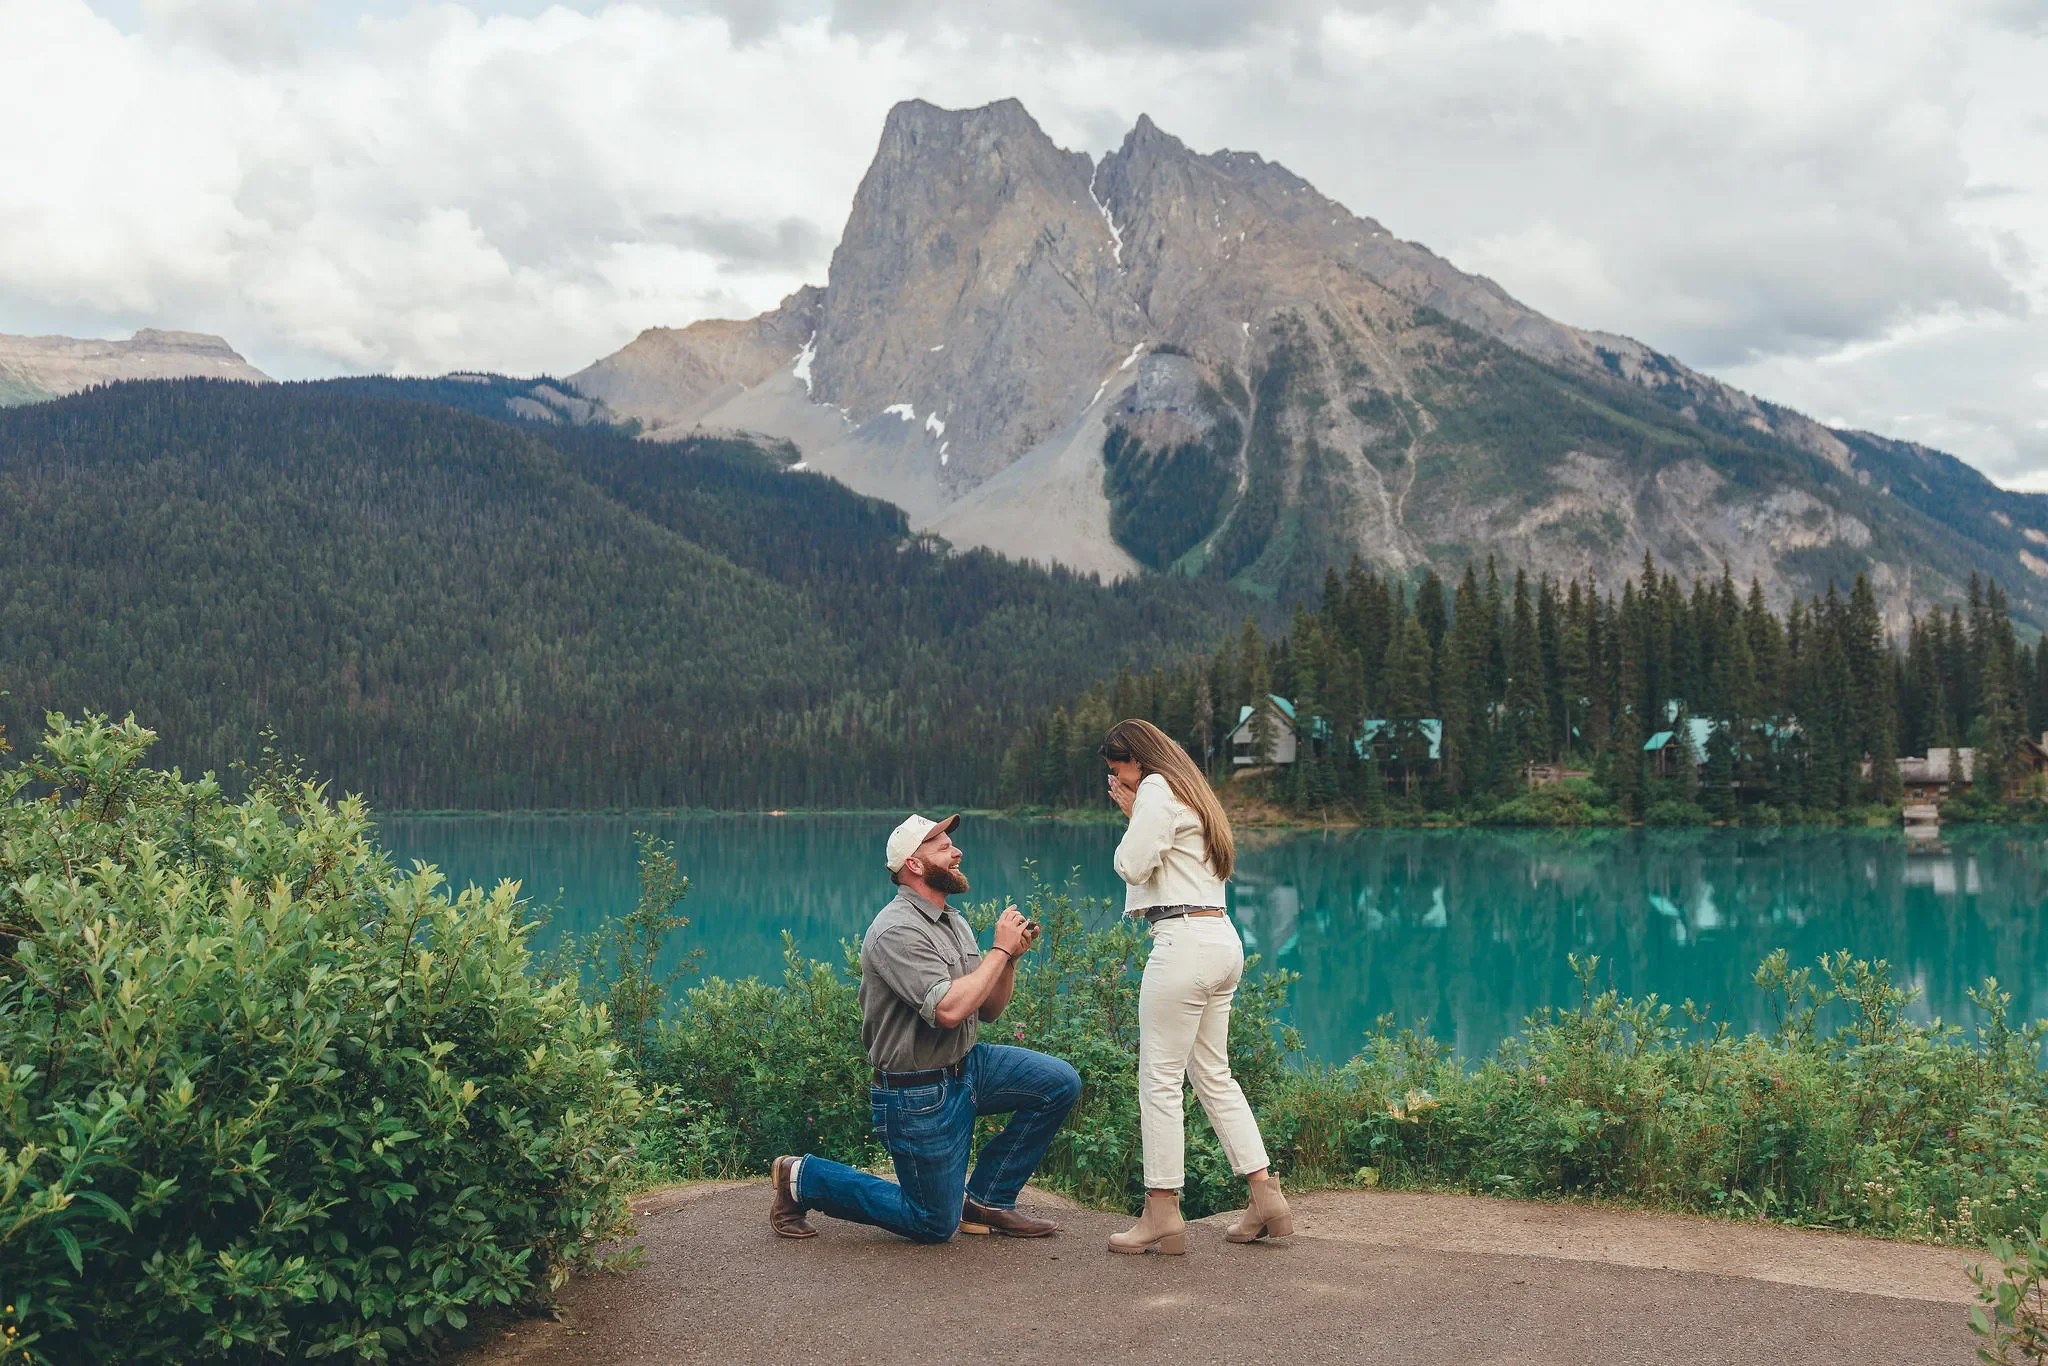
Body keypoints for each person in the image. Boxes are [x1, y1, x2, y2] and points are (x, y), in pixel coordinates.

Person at [769, 812, 1082, 1244]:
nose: (957, 853)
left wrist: (1007, 958)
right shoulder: (895, 930)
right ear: (914, 865)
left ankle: (989, 1200)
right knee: (933, 1224)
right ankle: (801, 1177)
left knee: (1059, 1082)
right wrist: (998, 950)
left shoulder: (952, 920)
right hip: (917, 1092)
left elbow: (987, 1009)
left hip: (969, 1066)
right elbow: (949, 1011)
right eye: (943, 848)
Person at [1100, 718, 1292, 1255]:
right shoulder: (1195, 792)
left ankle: (1161, 1209)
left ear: (1137, 760)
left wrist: (1133, 812)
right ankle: (1264, 1194)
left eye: (1119, 771)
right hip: (1222, 938)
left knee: (1159, 1079)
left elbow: (1132, 865)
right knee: (1213, 1073)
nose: (1119, 781)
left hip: (1182, 940)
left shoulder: (1158, 788)